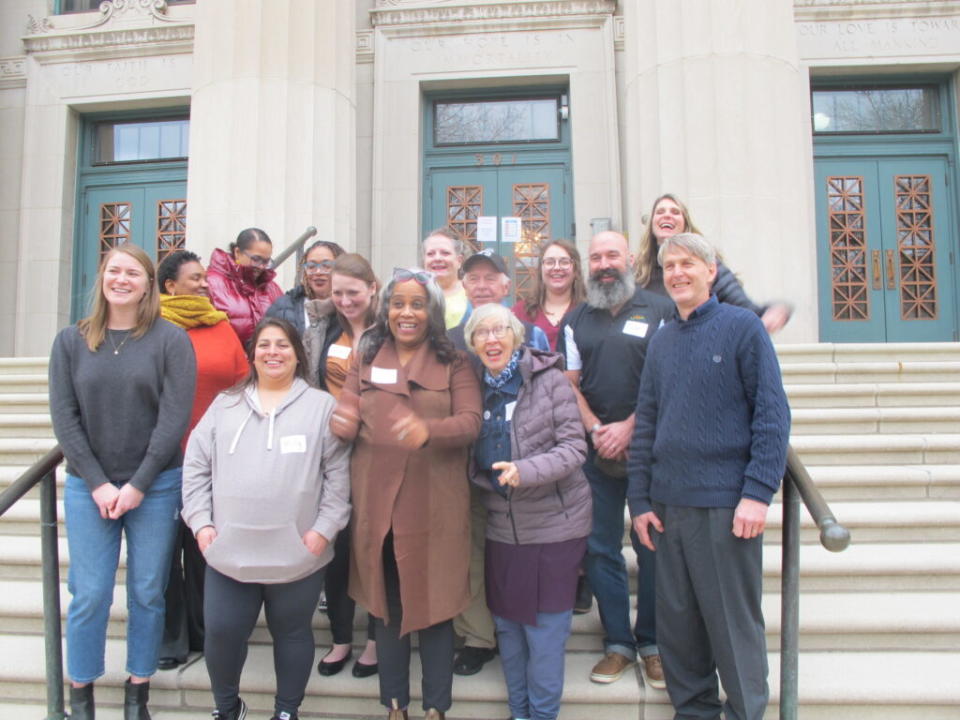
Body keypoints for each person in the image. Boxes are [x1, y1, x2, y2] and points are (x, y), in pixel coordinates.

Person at [628, 233, 791, 720]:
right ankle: (694, 711)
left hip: (726, 507)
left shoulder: (742, 328)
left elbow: (772, 415)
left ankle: (745, 713)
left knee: (732, 626)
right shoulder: (661, 341)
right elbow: (647, 424)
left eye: (688, 263)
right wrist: (639, 500)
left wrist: (758, 493)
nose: (677, 272)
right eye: (670, 265)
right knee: (679, 627)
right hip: (668, 509)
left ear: (711, 271)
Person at [49, 244, 196, 720]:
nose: (122, 279)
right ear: (102, 278)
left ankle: (138, 692)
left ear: (149, 283)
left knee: (148, 591)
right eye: (114, 270)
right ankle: (81, 696)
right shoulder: (72, 341)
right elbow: (65, 419)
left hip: (154, 486)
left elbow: (174, 419)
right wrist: (97, 482)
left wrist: (138, 483)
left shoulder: (170, 340)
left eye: (133, 272)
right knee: (89, 593)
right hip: (88, 487)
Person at [330, 268, 481, 720]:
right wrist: (344, 416)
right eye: (398, 303)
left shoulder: (454, 359)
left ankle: (436, 708)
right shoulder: (367, 352)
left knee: (434, 610)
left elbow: (472, 422)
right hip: (378, 503)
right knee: (386, 610)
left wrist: (427, 431)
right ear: (386, 308)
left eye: (416, 304)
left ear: (431, 310)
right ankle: (395, 706)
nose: (406, 313)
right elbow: (349, 405)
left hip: (434, 506)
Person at [182, 317, 351, 720]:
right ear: (252, 354)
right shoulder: (224, 405)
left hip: (297, 554)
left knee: (292, 635)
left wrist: (322, 532)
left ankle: (286, 711)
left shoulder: (321, 406)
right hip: (229, 552)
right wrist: (202, 524)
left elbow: (339, 478)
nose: (273, 352)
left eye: (283, 345)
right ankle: (227, 709)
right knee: (222, 634)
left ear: (298, 355)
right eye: (264, 345)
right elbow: (195, 468)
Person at [556, 230, 674, 688]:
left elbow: (667, 379)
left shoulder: (659, 311)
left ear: (629, 259)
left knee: (652, 546)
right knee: (601, 548)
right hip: (596, 454)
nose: (604, 264)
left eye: (612, 255)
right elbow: (569, 382)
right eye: (597, 257)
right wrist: (595, 428)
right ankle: (618, 644)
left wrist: (630, 427)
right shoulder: (577, 318)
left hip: (650, 451)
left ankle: (653, 643)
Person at [465, 303, 591, 720]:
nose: (492, 339)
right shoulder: (471, 390)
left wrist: (526, 470)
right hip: (501, 529)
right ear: (473, 344)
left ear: (517, 337)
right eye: (481, 333)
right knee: (509, 632)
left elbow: (574, 448)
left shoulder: (550, 380)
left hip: (554, 528)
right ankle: (519, 713)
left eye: (500, 330)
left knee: (544, 636)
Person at [448, 248, 549, 677]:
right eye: (475, 278)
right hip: (466, 467)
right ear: (463, 285)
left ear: (507, 287)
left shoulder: (531, 334)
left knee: (516, 554)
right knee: (470, 553)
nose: (484, 284)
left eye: (492, 278)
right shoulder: (448, 338)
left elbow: (549, 394)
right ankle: (477, 636)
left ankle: (521, 628)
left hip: (522, 470)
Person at [156, 250, 249, 671]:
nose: (202, 284)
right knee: (162, 550)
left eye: (204, 278)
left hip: (215, 457)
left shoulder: (220, 326)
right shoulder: (151, 328)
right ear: (169, 286)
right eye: (193, 279)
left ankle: (205, 629)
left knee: (203, 547)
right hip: (160, 456)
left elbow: (242, 382)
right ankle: (171, 637)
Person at [315, 253, 380, 679]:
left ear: (372, 289)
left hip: (377, 453)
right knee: (335, 549)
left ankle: (375, 639)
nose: (344, 300)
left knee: (372, 548)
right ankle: (341, 637)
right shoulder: (328, 331)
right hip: (335, 453)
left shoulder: (389, 333)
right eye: (337, 293)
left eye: (352, 292)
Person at [634, 193, 792, 333]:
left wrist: (772, 312)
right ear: (652, 224)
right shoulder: (639, 272)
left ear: (685, 224)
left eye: (675, 212)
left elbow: (742, 306)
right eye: (660, 212)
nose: (667, 215)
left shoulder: (708, 266)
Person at [206, 227, 284, 346]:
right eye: (256, 259)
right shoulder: (210, 284)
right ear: (237, 253)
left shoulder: (272, 288)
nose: (261, 266)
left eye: (266, 261)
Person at [513, 239, 586, 351]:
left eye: (564, 262)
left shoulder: (589, 313)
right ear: (541, 270)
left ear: (575, 270)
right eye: (550, 262)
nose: (556, 267)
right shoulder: (520, 312)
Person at [267, 240, 346, 335]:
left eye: (326, 266)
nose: (318, 272)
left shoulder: (351, 306)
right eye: (311, 266)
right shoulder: (284, 305)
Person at [421, 228, 469, 329]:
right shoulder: (416, 292)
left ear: (459, 261)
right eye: (430, 254)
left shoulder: (472, 292)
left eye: (445, 253)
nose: (437, 258)